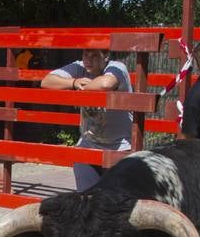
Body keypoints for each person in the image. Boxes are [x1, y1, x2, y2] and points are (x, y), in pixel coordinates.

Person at [40, 47, 133, 192]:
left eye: (95, 55)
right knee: (86, 199)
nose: (88, 60)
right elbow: (46, 81)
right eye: (85, 54)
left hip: (119, 147)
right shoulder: (79, 67)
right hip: (88, 146)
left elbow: (105, 84)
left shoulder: (117, 67)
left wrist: (82, 87)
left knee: (113, 201)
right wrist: (74, 82)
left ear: (106, 56)